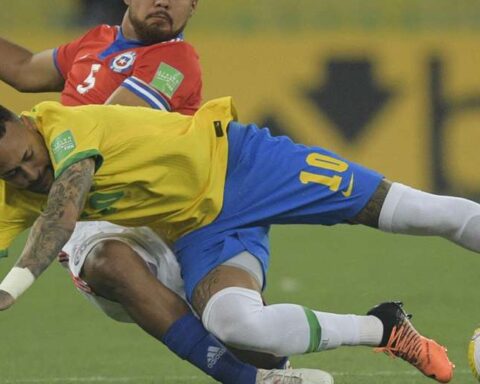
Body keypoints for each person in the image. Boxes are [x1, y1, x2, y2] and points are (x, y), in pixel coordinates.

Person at [0, 96, 473, 383]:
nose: (31, 174)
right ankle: (384, 328)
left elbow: (62, 214)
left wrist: (10, 288)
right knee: (237, 326)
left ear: (26, 125)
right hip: (201, 226)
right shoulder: (16, 193)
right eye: (13, 174)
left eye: (27, 156)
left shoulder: (64, 127)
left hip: (249, 164)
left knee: (419, 212)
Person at [0, 0, 307, 382]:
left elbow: (109, 130)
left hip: (163, 204)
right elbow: (23, 69)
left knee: (246, 332)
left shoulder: (174, 62)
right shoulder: (92, 44)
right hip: (97, 213)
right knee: (108, 260)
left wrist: (57, 135)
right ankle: (244, 378)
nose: (163, 2)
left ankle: (287, 364)